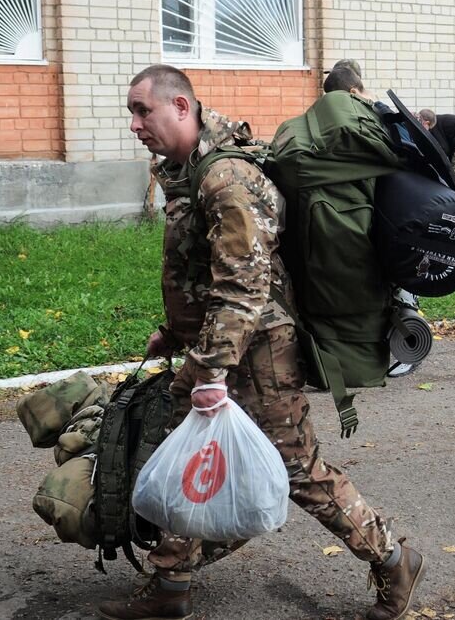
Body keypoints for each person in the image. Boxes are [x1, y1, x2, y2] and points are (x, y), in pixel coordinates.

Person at [106, 65, 422, 620]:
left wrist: (209, 370)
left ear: (180, 107)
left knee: (298, 468)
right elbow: (199, 270)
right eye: (131, 113)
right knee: (193, 454)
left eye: (142, 110)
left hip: (258, 353)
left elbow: (245, 286)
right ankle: (170, 585)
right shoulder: (189, 170)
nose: (134, 124)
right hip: (221, 344)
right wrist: (176, 333)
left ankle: (393, 559)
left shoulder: (227, 178)